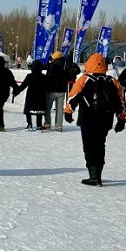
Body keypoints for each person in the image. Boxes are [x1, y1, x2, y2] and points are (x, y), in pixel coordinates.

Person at [63, 52, 126, 186]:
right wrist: (121, 119)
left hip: (88, 118)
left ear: (89, 64)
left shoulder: (84, 79)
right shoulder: (112, 81)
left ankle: (94, 176)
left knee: (89, 146)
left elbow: (73, 96)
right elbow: (121, 102)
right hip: (106, 119)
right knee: (100, 145)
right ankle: (98, 174)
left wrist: (68, 112)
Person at [13, 60, 48, 131]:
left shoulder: (29, 76)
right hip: (41, 96)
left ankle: (29, 124)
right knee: (39, 112)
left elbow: (23, 86)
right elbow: (47, 87)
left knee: (28, 111)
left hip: (31, 96)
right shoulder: (44, 77)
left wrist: (16, 91)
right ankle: (39, 125)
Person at [45, 51, 73, 131]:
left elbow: (48, 77)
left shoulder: (52, 66)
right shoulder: (65, 65)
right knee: (60, 109)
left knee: (48, 108)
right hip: (61, 90)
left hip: (51, 89)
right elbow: (68, 76)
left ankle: (47, 123)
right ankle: (59, 125)